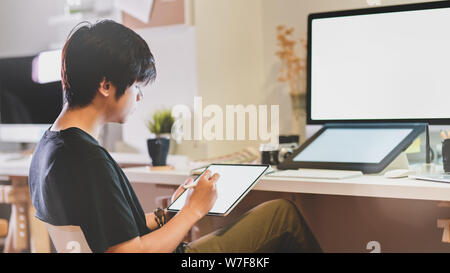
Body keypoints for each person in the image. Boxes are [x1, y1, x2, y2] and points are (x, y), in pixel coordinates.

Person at [28, 20, 322, 253]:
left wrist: (167, 213)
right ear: (106, 84)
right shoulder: (88, 159)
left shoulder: (49, 148)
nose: (139, 98)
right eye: (136, 87)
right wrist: (193, 211)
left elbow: (107, 230)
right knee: (282, 216)